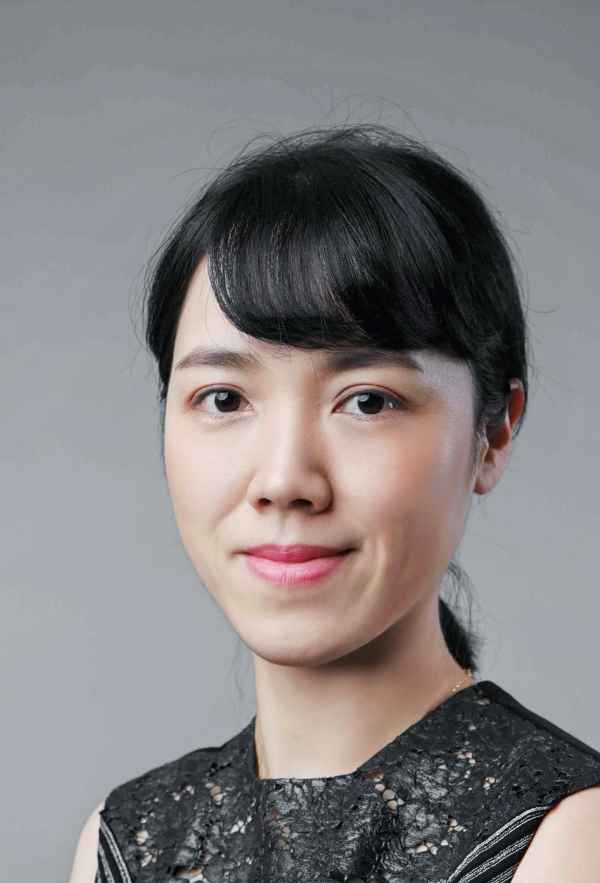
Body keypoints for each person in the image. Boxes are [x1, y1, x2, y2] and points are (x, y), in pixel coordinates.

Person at [69, 125, 600, 883]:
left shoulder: (568, 842)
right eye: (224, 398)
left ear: (494, 431)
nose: (285, 478)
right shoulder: (126, 839)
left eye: (368, 401)